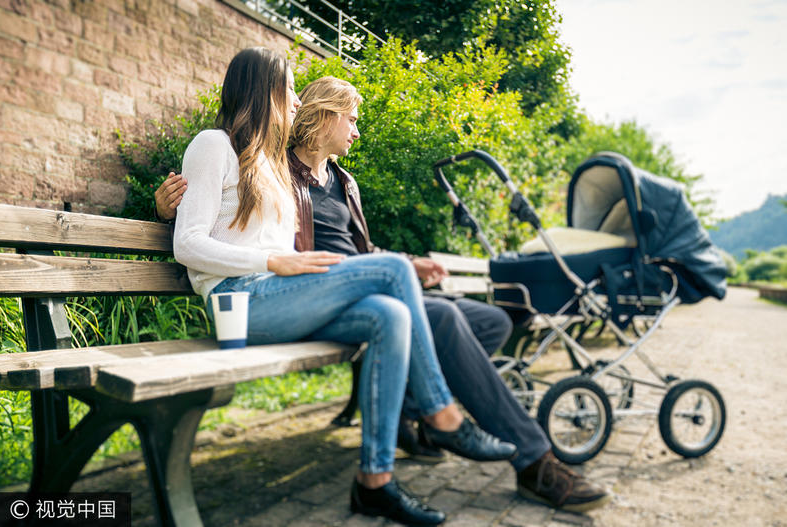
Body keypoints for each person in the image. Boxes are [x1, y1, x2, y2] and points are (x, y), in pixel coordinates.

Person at [159, 73, 611, 513]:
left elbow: (361, 248)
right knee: (445, 319)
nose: (357, 130)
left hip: (360, 284)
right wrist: (164, 209)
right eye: (351, 119)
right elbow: (222, 216)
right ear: (325, 116)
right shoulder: (275, 165)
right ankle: (522, 455)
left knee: (489, 319)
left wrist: (408, 264)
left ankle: (411, 413)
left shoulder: (344, 181)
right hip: (309, 292)